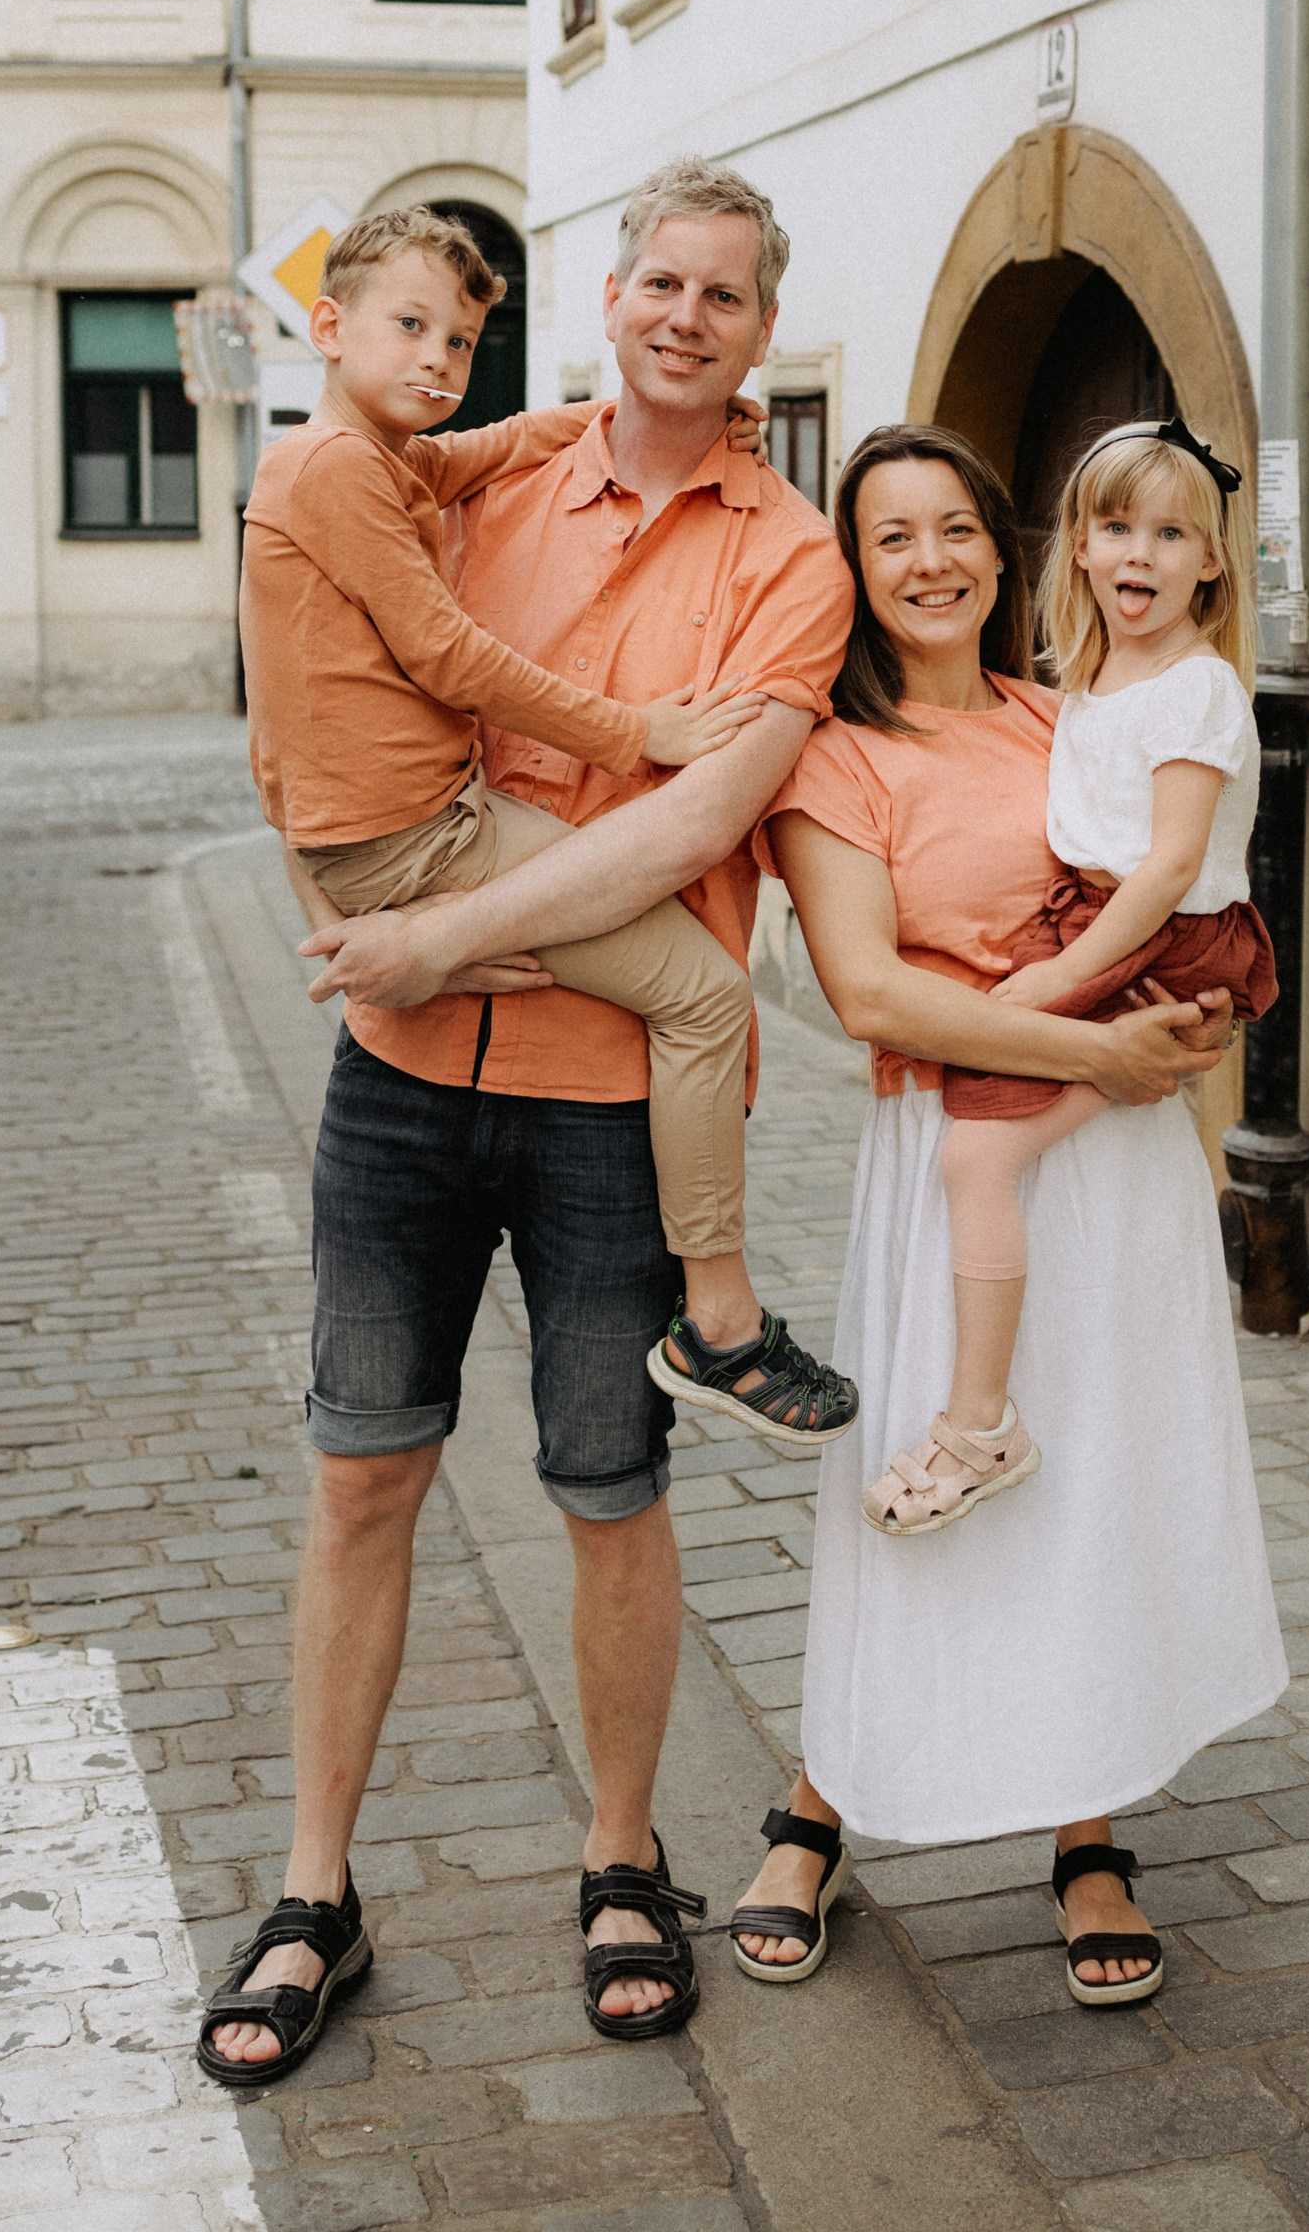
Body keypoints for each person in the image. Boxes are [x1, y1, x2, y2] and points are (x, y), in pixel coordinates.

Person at [197, 160, 856, 2086]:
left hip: (598, 1111)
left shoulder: (791, 559)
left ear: (756, 330)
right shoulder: (465, 473)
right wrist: (326, 898)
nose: (683, 315)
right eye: (658, 280)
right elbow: (308, 681)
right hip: (403, 1083)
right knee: (359, 1479)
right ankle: (316, 1889)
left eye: (723, 296)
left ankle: (622, 1855)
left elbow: (684, 827)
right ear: (615, 297)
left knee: (609, 1495)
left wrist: (421, 934)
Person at [725, 426, 1286, 2010]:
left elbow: (1178, 900)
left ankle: (1086, 1825)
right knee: (918, 1471)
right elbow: (869, 991)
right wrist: (1090, 1045)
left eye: (957, 527)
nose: (930, 561)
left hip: (1110, 1159)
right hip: (954, 1144)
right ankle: (823, 1797)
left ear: (999, 545)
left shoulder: (1076, 708)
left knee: (1088, 1475)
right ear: (854, 566)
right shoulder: (836, 757)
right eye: (891, 535)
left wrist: (1176, 1038)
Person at [240, 201, 790, 1295]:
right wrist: (641, 732)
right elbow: (449, 656)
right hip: (422, 840)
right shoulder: (336, 471)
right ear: (327, 326)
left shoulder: (375, 459)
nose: (438, 361)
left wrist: (665, 410)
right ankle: (722, 1312)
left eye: (457, 342)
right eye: (409, 327)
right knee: (708, 998)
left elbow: (485, 448)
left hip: (407, 835)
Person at [863, 416, 1279, 1535]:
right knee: (979, 1154)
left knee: (981, 1152)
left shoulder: (1192, 690)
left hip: (1154, 935)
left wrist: (1051, 985)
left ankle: (978, 1423)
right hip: (1106, 926)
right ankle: (983, 1412)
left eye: (1168, 533)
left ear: (1211, 561)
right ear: (1076, 550)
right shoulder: (1087, 686)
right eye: (1113, 527)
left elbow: (1171, 868)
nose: (1137, 554)